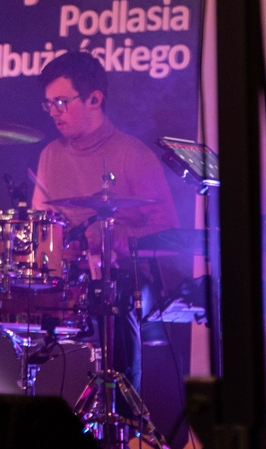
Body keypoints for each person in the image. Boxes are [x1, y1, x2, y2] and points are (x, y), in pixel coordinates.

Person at [31, 50, 178, 389]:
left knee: (114, 294)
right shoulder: (50, 155)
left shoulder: (133, 154)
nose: (54, 112)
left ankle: (120, 407)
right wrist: (58, 250)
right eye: (49, 104)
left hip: (128, 281)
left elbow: (170, 236)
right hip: (72, 281)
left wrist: (118, 238)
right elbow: (43, 232)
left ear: (95, 99)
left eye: (62, 103)